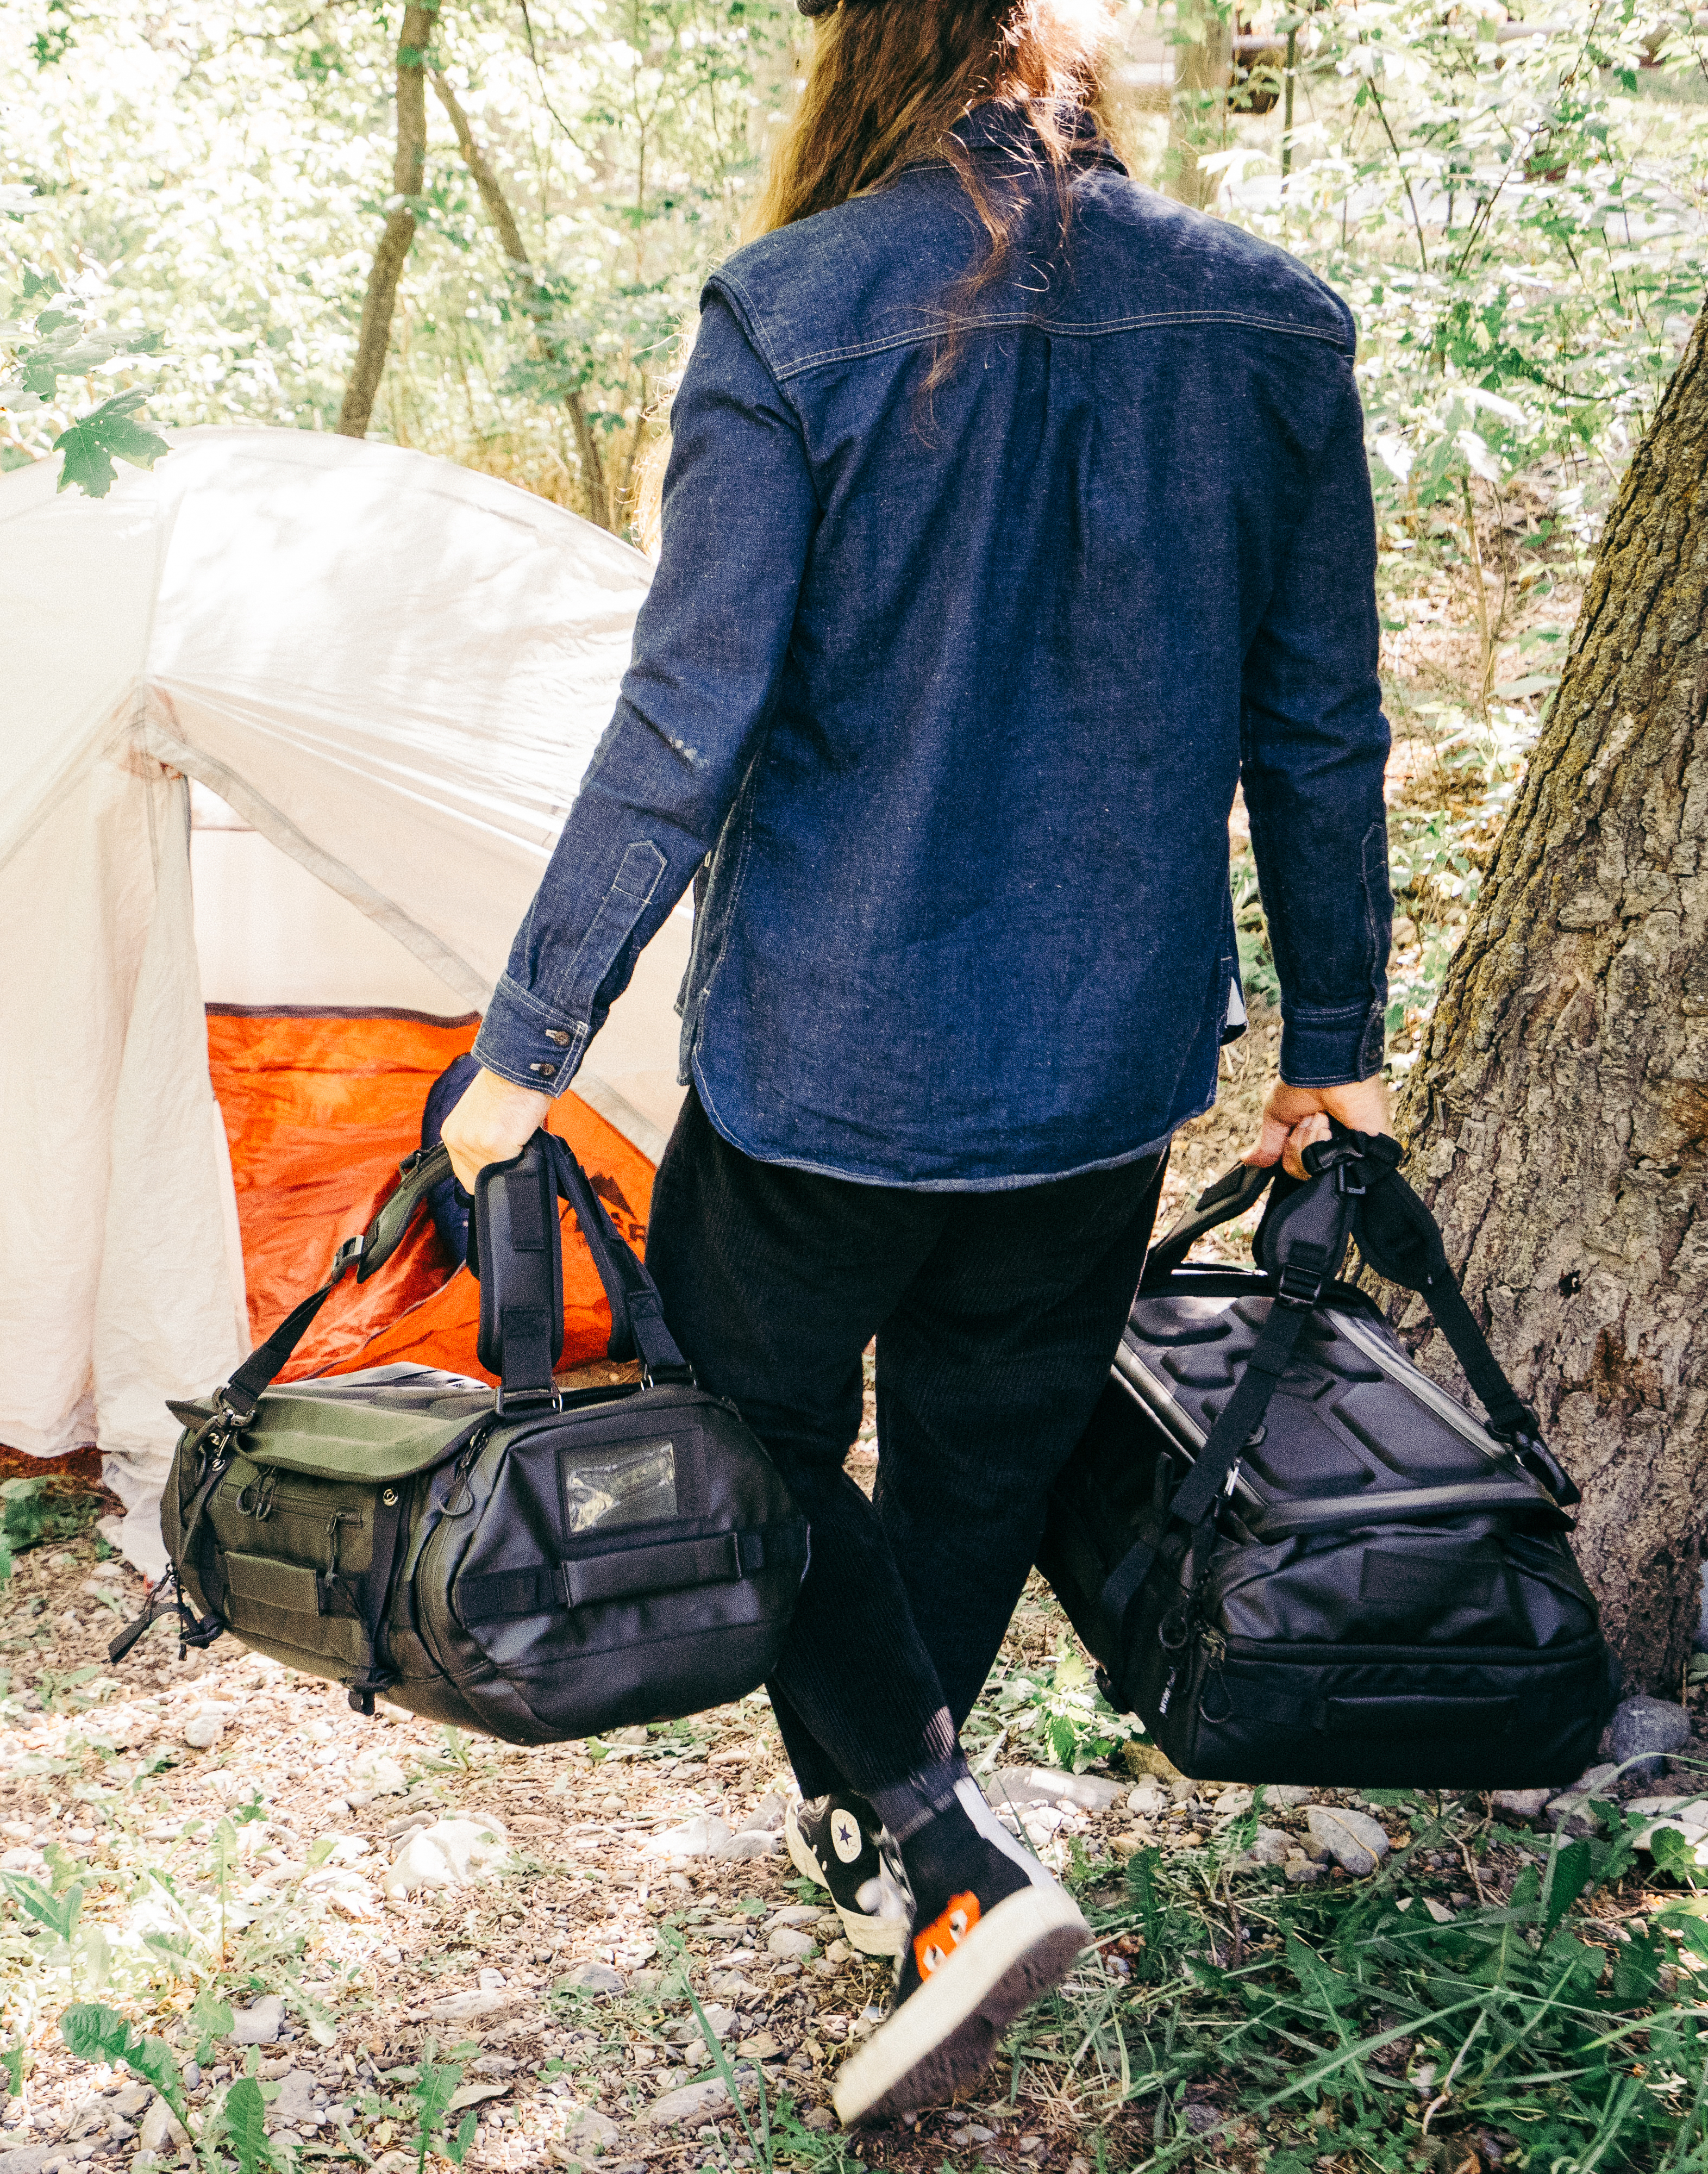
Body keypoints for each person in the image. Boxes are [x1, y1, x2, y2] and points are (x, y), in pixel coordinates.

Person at [441, 0, 1393, 2126]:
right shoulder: (1267, 324)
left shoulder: (789, 311)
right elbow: (1319, 726)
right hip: (1100, 1064)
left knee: (739, 1428)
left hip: (824, 1064)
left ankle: (935, 1849)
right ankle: (912, 1846)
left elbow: (684, 723)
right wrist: (1336, 1041)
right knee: (971, 1458)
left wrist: (526, 1040)